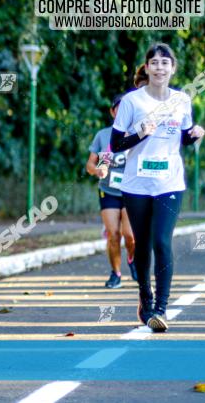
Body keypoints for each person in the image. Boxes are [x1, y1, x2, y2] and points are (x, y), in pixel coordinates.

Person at [111, 43, 205, 333]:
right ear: (147, 68)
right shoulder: (132, 102)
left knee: (162, 241)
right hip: (136, 184)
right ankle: (145, 298)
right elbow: (115, 145)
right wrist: (140, 133)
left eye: (166, 62)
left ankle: (161, 308)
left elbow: (183, 138)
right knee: (142, 244)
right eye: (155, 62)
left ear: (172, 69)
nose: (160, 67)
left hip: (170, 183)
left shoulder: (181, 101)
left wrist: (194, 134)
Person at [86, 94, 137, 288]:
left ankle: (132, 259)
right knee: (113, 233)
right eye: (119, 108)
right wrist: (97, 169)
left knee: (130, 236)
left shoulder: (137, 134)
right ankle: (116, 273)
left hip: (131, 192)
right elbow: (89, 164)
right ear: (113, 112)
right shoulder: (103, 135)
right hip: (108, 191)